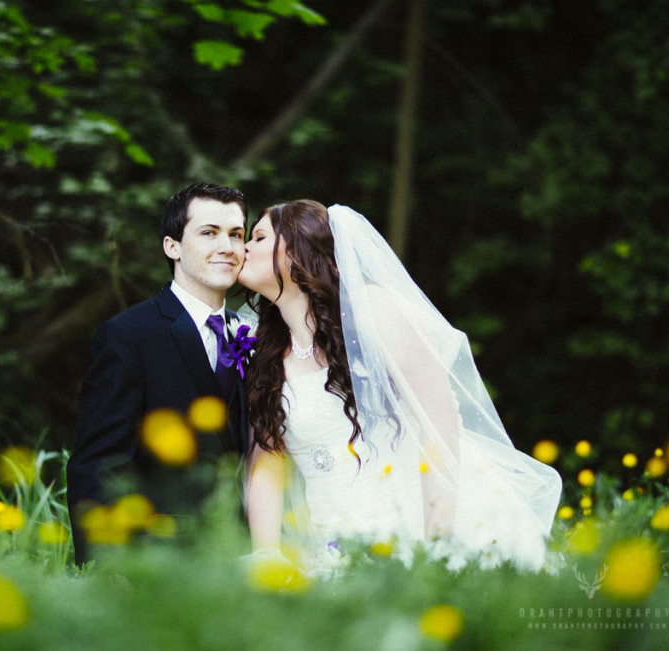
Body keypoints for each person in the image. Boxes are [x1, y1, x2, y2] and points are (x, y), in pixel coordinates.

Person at [237, 200, 562, 571]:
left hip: (417, 522)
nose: (243, 248)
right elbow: (266, 462)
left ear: (294, 251)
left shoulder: (373, 309)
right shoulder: (266, 354)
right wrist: (267, 554)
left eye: (258, 237)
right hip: (329, 547)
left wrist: (438, 542)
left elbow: (439, 420)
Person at [66, 183, 251, 565]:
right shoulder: (128, 335)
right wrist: (105, 562)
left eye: (236, 234)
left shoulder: (251, 335)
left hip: (242, 553)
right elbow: (99, 462)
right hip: (159, 556)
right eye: (209, 233)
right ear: (172, 247)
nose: (227, 246)